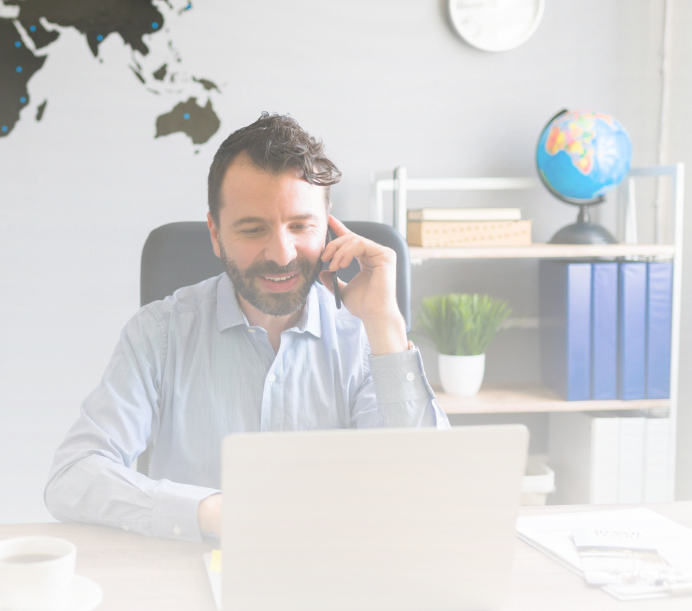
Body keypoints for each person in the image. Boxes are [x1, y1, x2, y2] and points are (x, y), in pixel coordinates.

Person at [44, 113, 447, 541]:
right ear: (216, 235)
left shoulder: (363, 335)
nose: (281, 252)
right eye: (254, 229)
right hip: (195, 575)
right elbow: (73, 476)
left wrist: (385, 326)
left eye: (300, 226)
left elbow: (428, 491)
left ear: (327, 228)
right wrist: (208, 511)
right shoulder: (158, 335)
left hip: (340, 572)